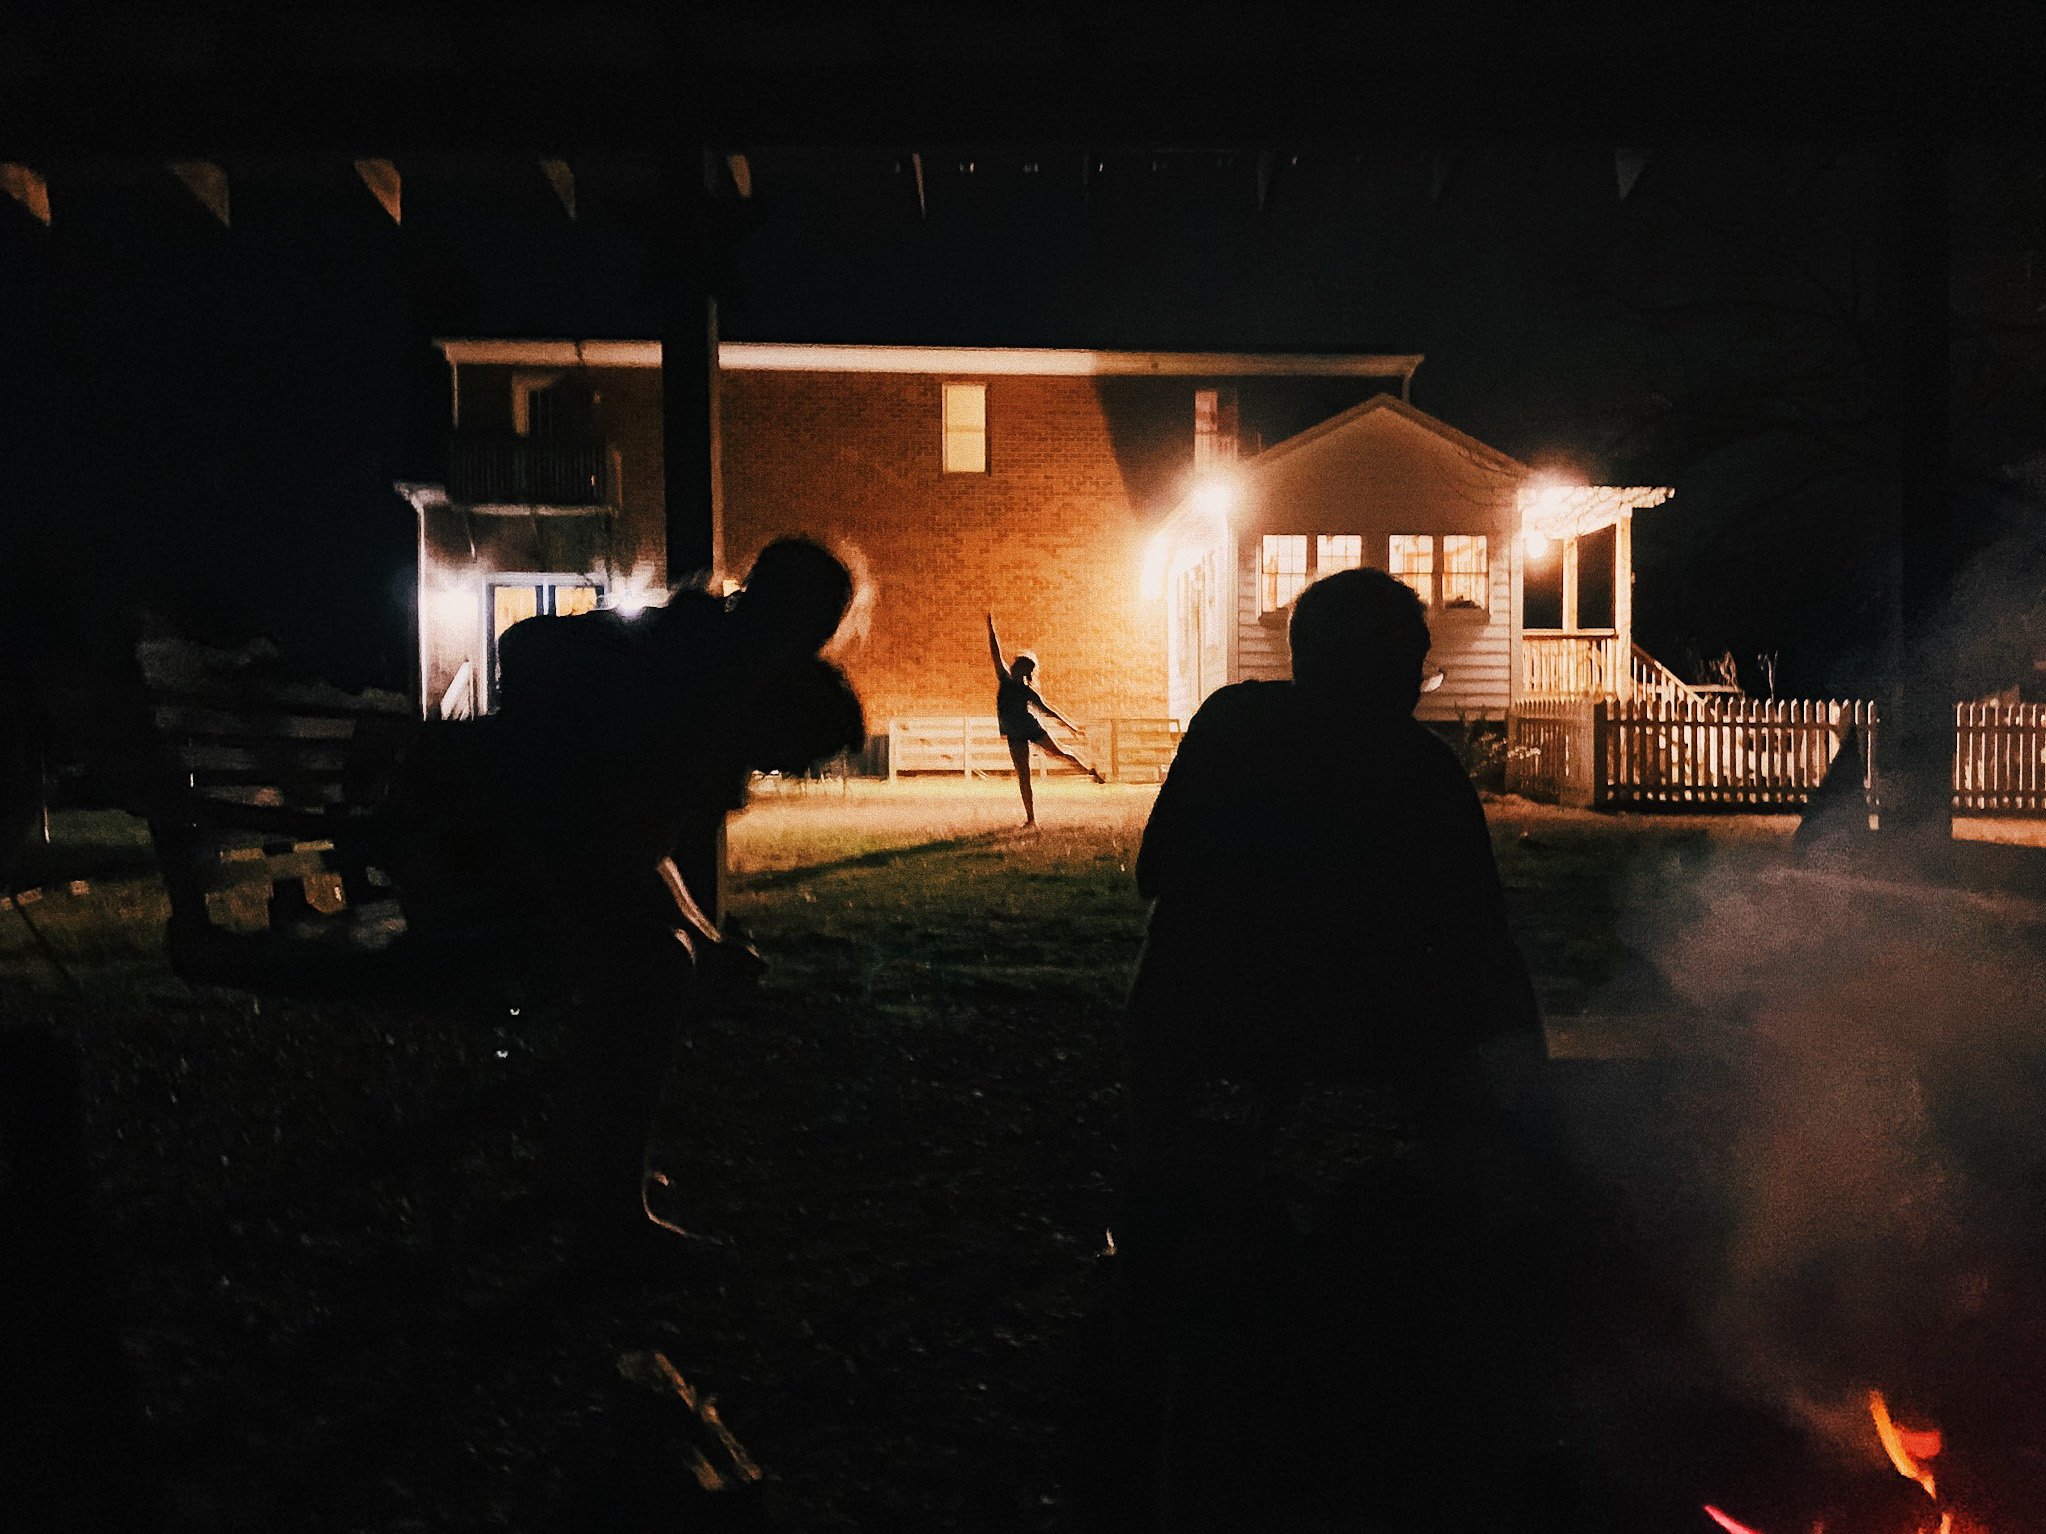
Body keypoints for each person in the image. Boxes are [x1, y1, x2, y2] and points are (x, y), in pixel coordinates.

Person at [387, 538, 866, 1256]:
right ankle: (611, 1215)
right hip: (464, 852)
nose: (768, 773)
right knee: (650, 969)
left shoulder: (709, 667)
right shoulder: (697, 673)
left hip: (493, 842)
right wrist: (686, 938)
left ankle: (583, 1174)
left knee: (655, 955)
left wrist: (701, 932)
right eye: (783, 760)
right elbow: (606, 834)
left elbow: (638, 844)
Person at [986, 611, 1105, 826]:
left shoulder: (1026, 690)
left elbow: (1049, 711)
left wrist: (1071, 727)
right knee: (1024, 775)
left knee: (1059, 753)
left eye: (1019, 664)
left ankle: (1089, 770)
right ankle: (1031, 819)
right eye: (1016, 663)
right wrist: (990, 627)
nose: (1013, 665)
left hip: (1030, 728)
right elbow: (995, 650)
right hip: (1015, 733)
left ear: (1023, 670)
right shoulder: (1004, 678)